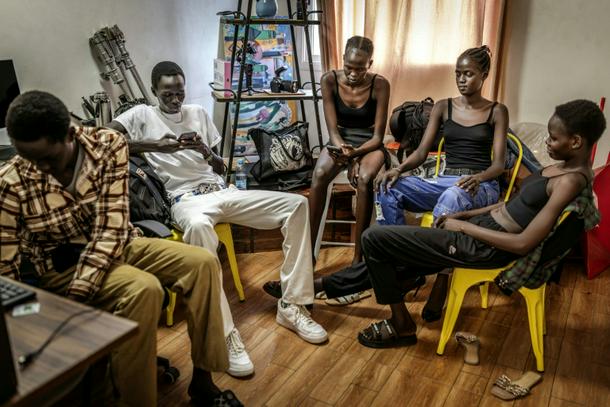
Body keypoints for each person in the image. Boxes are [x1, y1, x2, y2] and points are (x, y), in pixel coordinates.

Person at [0, 91, 241, 406]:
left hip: (118, 242)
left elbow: (111, 227)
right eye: (28, 158)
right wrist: (20, 323)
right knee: (143, 289)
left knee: (203, 263)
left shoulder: (107, 146)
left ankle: (203, 382)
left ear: (69, 135)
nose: (39, 167)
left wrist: (79, 295)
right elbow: (5, 265)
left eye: (48, 158)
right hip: (64, 268)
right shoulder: (10, 181)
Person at [107, 61, 328, 377]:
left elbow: (221, 168)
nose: (175, 99)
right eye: (167, 94)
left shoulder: (197, 112)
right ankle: (223, 333)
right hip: (185, 200)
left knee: (296, 205)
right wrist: (153, 146)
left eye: (180, 92)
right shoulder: (141, 115)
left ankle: (292, 305)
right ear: (154, 91)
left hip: (221, 191)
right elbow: (101, 137)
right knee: (198, 227)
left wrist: (205, 151)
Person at [357, 99, 604, 348]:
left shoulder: (569, 182)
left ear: (576, 142)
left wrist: (463, 227)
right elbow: (508, 206)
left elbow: (522, 243)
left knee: (374, 240)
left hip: (483, 247)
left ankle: (402, 324)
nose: (547, 142)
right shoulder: (561, 170)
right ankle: (340, 285)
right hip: (480, 227)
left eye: (553, 138)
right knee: (388, 253)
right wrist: (463, 216)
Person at [309, 35, 391, 265]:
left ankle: (358, 259)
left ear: (370, 64)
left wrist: (354, 156)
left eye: (361, 68)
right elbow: (332, 130)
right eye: (349, 67)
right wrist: (347, 155)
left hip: (369, 144)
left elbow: (378, 137)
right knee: (319, 174)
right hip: (340, 141)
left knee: (365, 178)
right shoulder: (329, 80)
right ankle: (307, 254)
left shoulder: (380, 85)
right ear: (343, 58)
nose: (354, 74)